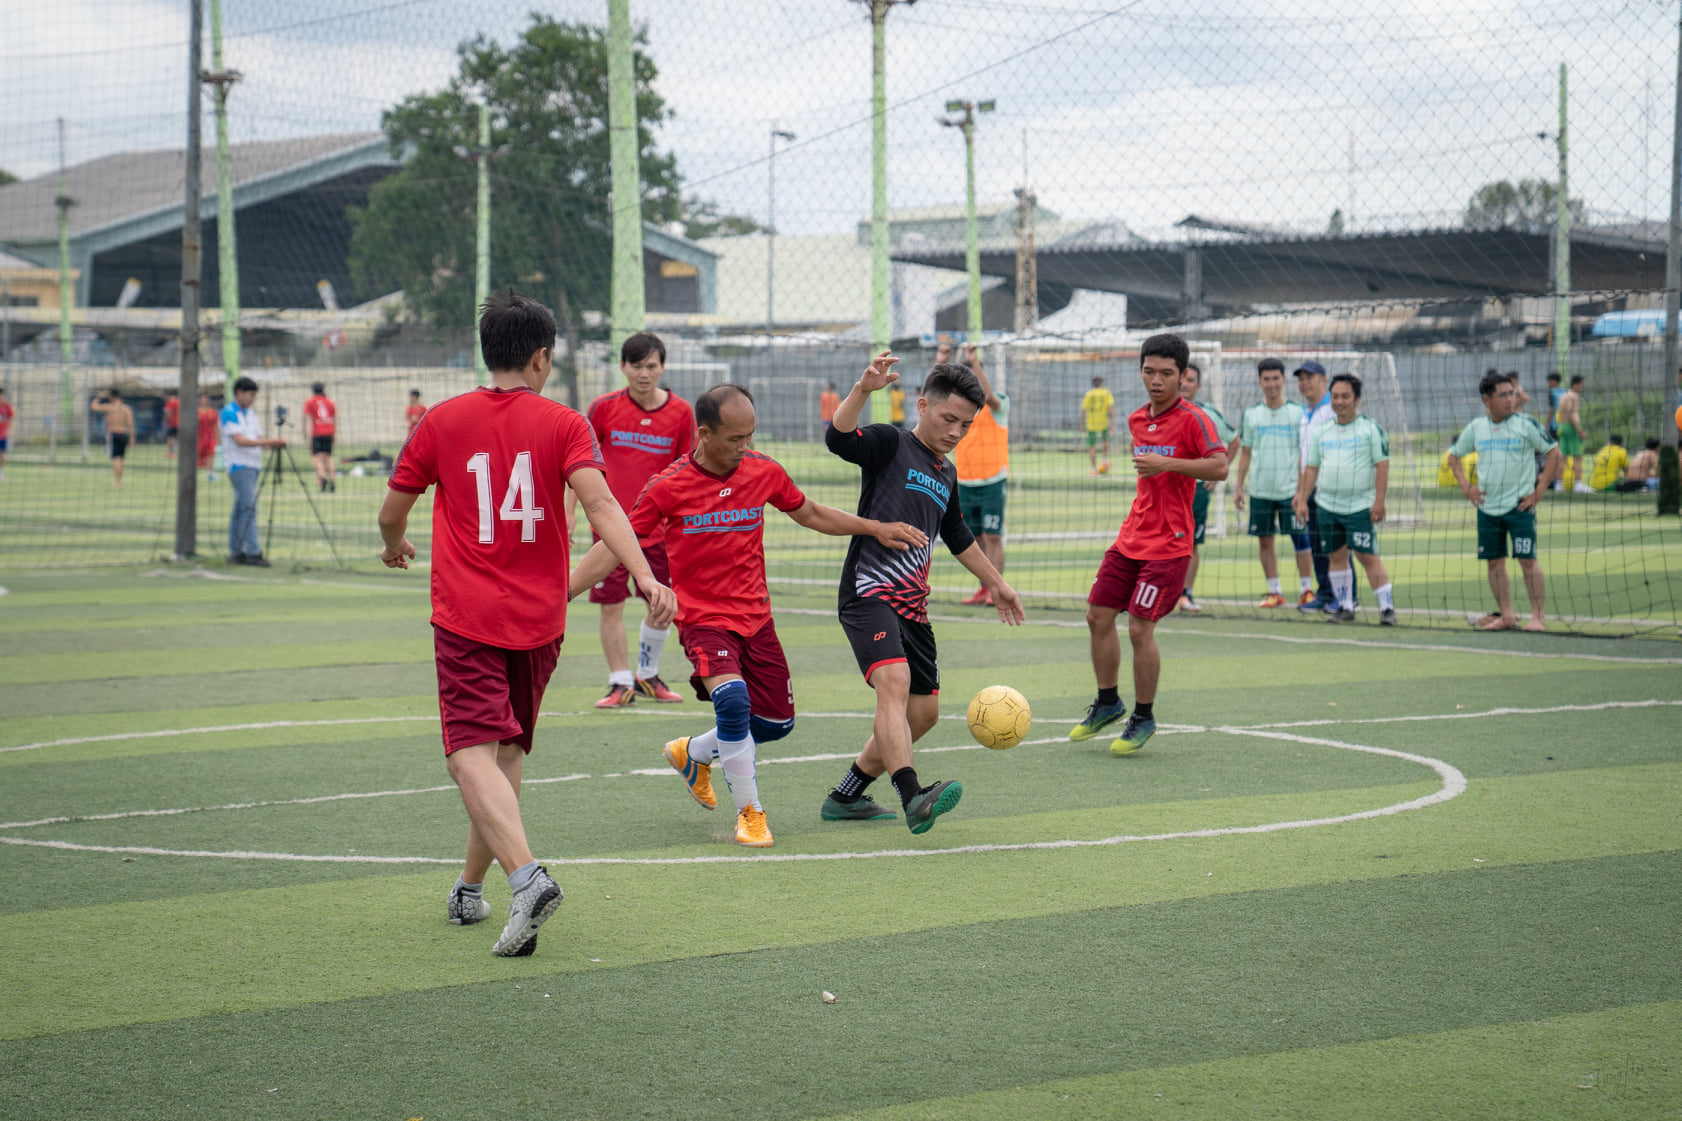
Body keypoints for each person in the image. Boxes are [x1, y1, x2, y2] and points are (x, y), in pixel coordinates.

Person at [378, 290, 675, 957]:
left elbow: (392, 508)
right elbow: (600, 505)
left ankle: (526, 877)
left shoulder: (441, 420)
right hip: (540, 620)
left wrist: (394, 543)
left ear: (492, 353)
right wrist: (648, 576)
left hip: (467, 616)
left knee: (467, 754)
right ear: (542, 358)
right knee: (506, 752)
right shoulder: (566, 424)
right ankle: (468, 887)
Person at [572, 383, 926, 848]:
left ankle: (694, 752)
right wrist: (564, 593)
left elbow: (812, 513)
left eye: (751, 436)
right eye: (736, 439)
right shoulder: (667, 487)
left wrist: (875, 527)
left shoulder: (762, 472)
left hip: (757, 620)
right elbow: (613, 544)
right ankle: (751, 813)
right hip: (703, 620)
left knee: (777, 724)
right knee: (734, 704)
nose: (746, 447)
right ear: (704, 434)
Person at [820, 353, 1025, 833]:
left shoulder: (946, 474)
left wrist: (997, 583)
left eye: (966, 424)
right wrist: (863, 390)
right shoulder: (891, 443)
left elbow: (957, 536)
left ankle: (845, 796)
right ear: (922, 406)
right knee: (892, 685)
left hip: (913, 605)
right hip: (868, 593)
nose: (956, 431)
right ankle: (913, 795)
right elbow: (838, 438)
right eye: (948, 418)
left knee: (924, 714)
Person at [1071, 334, 1226, 756]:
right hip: (1130, 538)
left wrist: (1169, 463)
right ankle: (1108, 702)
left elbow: (1220, 465)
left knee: (1140, 626)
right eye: (1149, 372)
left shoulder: (1194, 419)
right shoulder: (1138, 419)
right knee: (1097, 615)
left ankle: (1143, 715)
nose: (1157, 380)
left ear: (1182, 376)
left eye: (1167, 374)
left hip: (1170, 545)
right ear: (1140, 370)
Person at [568, 331, 695, 708]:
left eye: (651, 365)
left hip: (660, 532)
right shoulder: (603, 409)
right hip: (609, 530)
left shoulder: (681, 413)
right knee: (611, 605)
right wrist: (570, 514)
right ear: (623, 367)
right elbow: (580, 464)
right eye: (636, 365)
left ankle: (647, 674)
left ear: (662, 367)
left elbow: (686, 471)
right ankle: (619, 681)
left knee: (661, 604)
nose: (644, 373)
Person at [1447, 370, 1560, 632]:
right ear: (1487, 401)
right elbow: (1453, 457)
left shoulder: (1526, 424)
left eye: (1511, 393)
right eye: (1503, 395)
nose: (1510, 399)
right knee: (1494, 562)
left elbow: (1554, 453)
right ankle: (1507, 616)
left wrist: (1540, 489)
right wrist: (1467, 487)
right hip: (1487, 507)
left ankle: (1537, 617)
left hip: (1520, 506)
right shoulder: (1477, 427)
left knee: (1527, 560)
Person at [1292, 374, 1397, 625]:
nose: (1340, 402)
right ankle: (1345, 606)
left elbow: (1382, 465)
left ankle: (1387, 609)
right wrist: (1304, 499)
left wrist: (1379, 501)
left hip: (1359, 506)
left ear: (1357, 399)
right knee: (1336, 556)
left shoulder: (1370, 429)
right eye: (1335, 396)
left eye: (1345, 396)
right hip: (1327, 506)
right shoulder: (1322, 432)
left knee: (1367, 556)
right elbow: (1312, 468)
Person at [1234, 358, 1313, 607]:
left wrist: (1301, 491)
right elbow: (1245, 452)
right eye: (1266, 379)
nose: (1271, 384)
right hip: (1260, 490)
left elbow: (1305, 454)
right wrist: (1238, 486)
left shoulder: (1299, 413)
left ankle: (1306, 590)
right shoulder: (1251, 414)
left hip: (1290, 490)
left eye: (1275, 378)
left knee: (1301, 540)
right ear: (1260, 381)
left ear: (1283, 379)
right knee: (1265, 541)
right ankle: (1275, 592)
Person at [945, 341, 1009, 606]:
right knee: (976, 539)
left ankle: (997, 590)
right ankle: (983, 588)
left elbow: (988, 396)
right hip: (966, 481)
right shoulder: (959, 412)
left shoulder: (998, 404)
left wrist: (973, 363)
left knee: (993, 536)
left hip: (993, 480)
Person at [1175, 361, 1238, 613]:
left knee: (1191, 542)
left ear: (1198, 386)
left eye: (1191, 380)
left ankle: (1186, 594)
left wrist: (1217, 472)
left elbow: (1234, 440)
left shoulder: (1208, 414)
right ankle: (1160, 592)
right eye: (1182, 379)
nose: (1185, 384)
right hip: (1166, 490)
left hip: (1196, 489)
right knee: (1160, 540)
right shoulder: (1158, 412)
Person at [1294, 361, 1357, 614]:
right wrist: (1300, 493)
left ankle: (1347, 598)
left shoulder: (1332, 410)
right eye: (1301, 379)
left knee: (1338, 546)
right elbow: (1304, 457)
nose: (1305, 383)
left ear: (1323, 380)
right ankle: (1326, 593)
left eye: (1310, 377)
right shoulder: (1305, 414)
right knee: (1318, 544)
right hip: (1311, 491)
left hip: (1331, 490)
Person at [219, 376, 286, 566]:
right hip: (239, 466)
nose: (252, 399)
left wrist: (272, 443)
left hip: (253, 465)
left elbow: (258, 439)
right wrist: (269, 442)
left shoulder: (250, 414)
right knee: (248, 508)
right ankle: (253, 551)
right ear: (239, 392)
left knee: (240, 509)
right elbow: (241, 441)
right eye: (250, 395)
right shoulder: (229, 412)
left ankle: (237, 551)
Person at [89, 388, 135, 488]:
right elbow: (130, 424)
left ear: (111, 397)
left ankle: (117, 482)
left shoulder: (110, 407)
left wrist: (99, 396)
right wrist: (132, 438)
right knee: (121, 458)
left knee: (115, 458)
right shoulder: (127, 408)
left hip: (114, 434)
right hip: (123, 434)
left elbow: (93, 407)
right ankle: (120, 481)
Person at [1555, 375, 1589, 493]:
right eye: (1581, 385)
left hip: (1562, 427)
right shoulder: (1573, 396)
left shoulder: (1563, 396)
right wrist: (1580, 430)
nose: (1582, 387)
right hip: (1571, 428)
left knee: (1562, 458)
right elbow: (1571, 414)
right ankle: (1578, 485)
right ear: (1575, 384)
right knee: (1578, 458)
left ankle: (1559, 486)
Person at [303, 382, 337, 492]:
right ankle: (332, 480)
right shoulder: (330, 402)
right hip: (329, 433)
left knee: (318, 459)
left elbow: (305, 417)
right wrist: (334, 434)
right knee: (328, 457)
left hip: (317, 433)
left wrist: (304, 431)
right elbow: (334, 418)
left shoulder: (310, 401)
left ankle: (322, 480)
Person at [1081, 375, 1115, 476]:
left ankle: (1093, 469)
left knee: (1092, 446)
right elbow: (1111, 409)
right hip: (1103, 422)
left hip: (1091, 423)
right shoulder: (1106, 393)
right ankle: (1104, 460)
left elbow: (1084, 410)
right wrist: (1113, 423)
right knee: (1105, 441)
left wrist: (1082, 424)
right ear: (1102, 383)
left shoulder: (1089, 394)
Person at [195, 393, 218, 475]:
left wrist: (218, 438)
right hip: (200, 437)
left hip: (210, 437)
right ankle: (194, 473)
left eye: (205, 399)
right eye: (202, 399)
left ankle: (211, 472)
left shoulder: (212, 412)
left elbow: (216, 426)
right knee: (198, 455)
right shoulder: (196, 412)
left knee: (212, 454)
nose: (204, 401)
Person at [1545, 371, 1563, 440]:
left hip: (1554, 425)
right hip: (1564, 424)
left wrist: (1546, 424)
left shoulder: (1552, 393)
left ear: (1554, 381)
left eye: (1549, 381)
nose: (1548, 383)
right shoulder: (1565, 392)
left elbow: (1551, 409)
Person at [162, 389, 180, 459]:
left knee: (169, 438)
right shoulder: (178, 401)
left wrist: (164, 421)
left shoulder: (169, 403)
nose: (164, 398)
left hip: (174, 424)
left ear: (167, 396)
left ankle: (171, 452)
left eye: (164, 397)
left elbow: (167, 414)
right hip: (182, 424)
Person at [0, 387, 13, 481]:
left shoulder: (6, 406)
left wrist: (8, 429)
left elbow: (11, 417)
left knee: (2, 455)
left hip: (2, 435)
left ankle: (1, 473)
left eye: (2, 396)